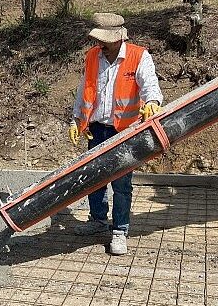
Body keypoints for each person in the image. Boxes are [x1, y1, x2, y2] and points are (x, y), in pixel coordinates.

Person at [69, 13, 163, 255]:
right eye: (99, 40)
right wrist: (76, 119)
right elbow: (84, 89)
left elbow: (150, 84)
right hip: (96, 128)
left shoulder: (138, 56)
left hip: (124, 130)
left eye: (106, 41)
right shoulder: (93, 56)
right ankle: (97, 219)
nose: (102, 46)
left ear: (120, 38)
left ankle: (120, 229)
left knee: (121, 183)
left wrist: (152, 101)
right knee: (94, 178)